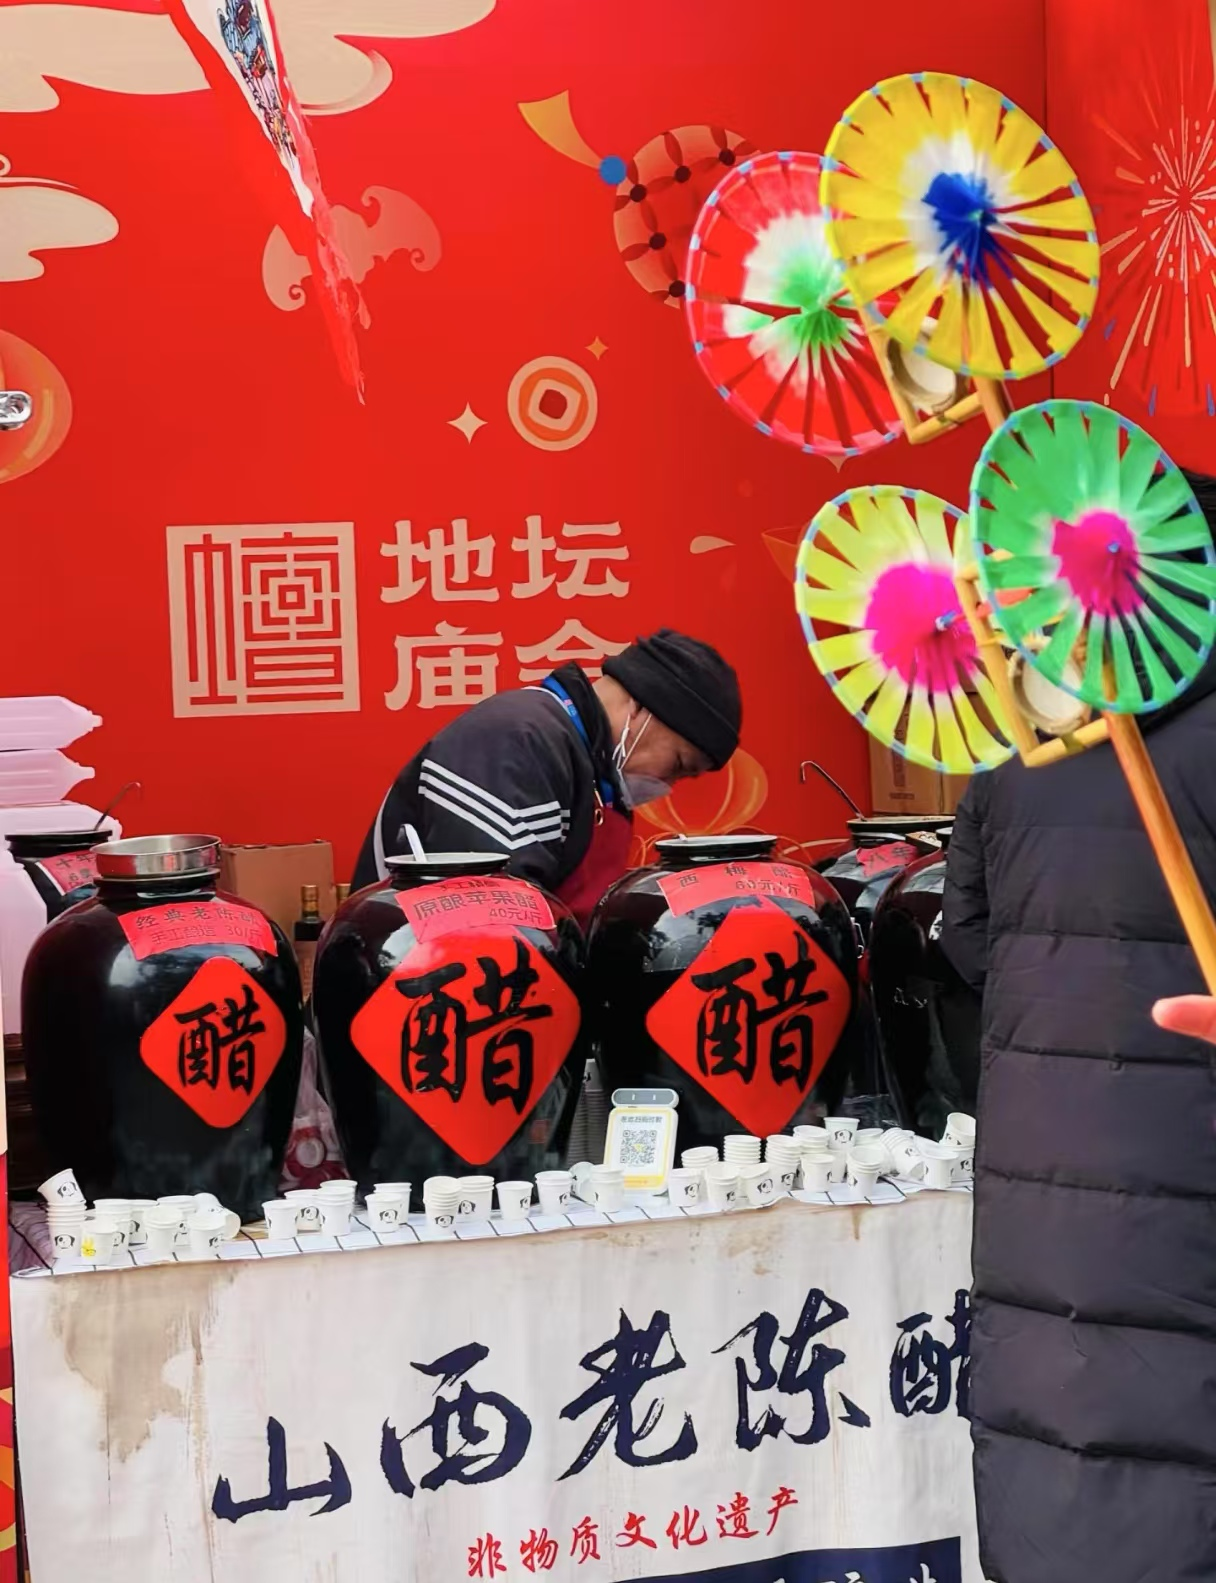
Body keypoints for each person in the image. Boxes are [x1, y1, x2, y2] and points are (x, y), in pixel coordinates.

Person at [941, 472, 1216, 1583]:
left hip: (1043, 1204)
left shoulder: (1016, 745)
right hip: (1188, 1193)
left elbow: (966, 939)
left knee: (1061, 1474)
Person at [351, 629, 741, 924]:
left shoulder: (597, 770)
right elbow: (495, 915)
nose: (667, 785)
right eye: (678, 764)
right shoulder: (515, 739)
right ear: (641, 709)